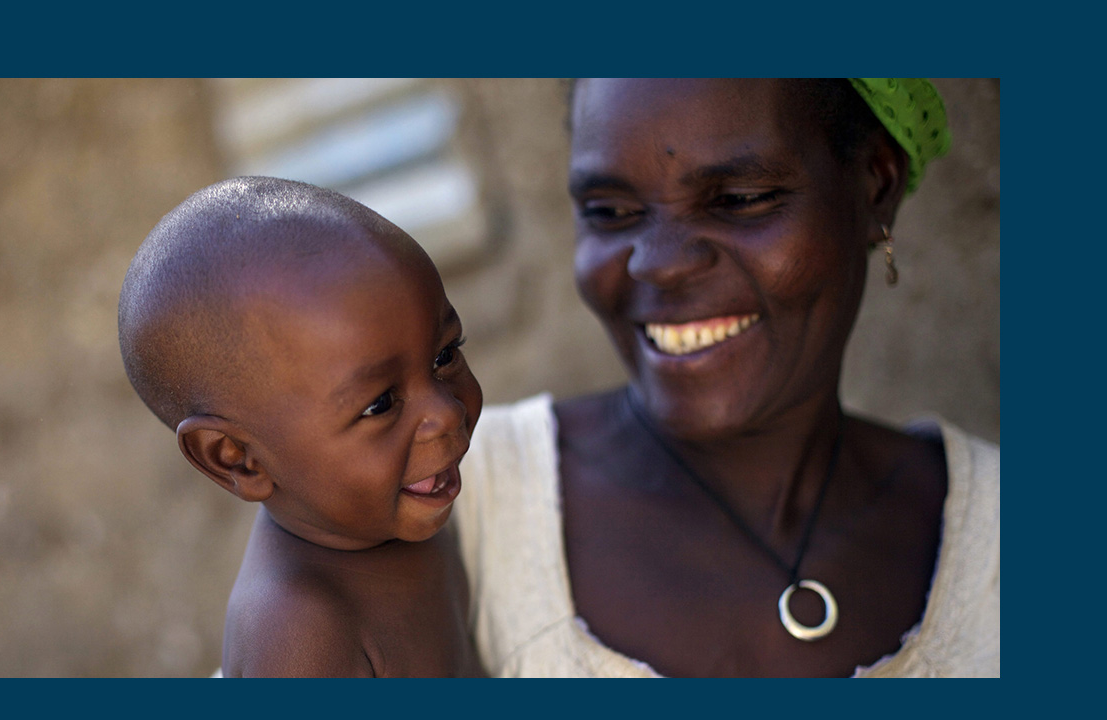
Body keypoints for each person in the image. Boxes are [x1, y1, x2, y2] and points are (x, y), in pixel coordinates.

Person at [454, 79, 998, 677]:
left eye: (740, 198)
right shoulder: (458, 504)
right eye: (610, 212)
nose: (659, 264)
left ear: (877, 182)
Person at [118, 176, 485, 677]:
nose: (445, 413)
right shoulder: (303, 633)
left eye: (444, 355)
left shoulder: (389, 517)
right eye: (379, 405)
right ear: (237, 458)